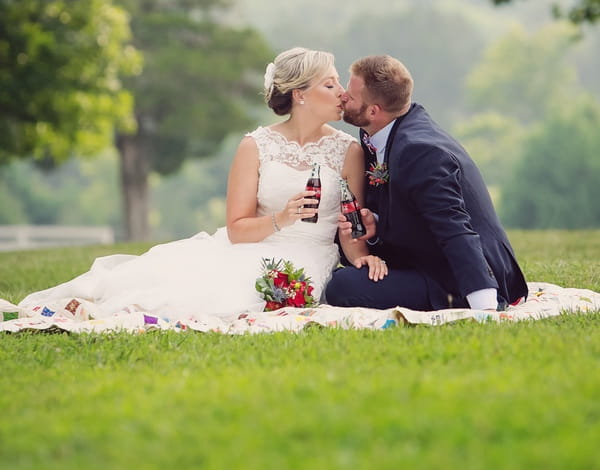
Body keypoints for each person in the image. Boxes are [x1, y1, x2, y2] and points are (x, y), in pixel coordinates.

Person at [19, 48, 367, 320]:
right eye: (330, 83)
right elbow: (236, 230)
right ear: (299, 94)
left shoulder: (347, 150)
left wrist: (365, 257)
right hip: (249, 247)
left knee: (239, 295)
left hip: (309, 255)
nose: (342, 93)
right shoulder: (256, 145)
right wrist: (282, 218)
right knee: (176, 287)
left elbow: (350, 225)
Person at [326, 54, 528, 312]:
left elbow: (454, 226)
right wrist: (376, 223)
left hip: (456, 275)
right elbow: (411, 208)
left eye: (351, 97)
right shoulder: (387, 127)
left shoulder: (421, 151)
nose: (343, 96)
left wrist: (484, 306)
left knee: (343, 286)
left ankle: (473, 298)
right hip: (424, 258)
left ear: (374, 111)